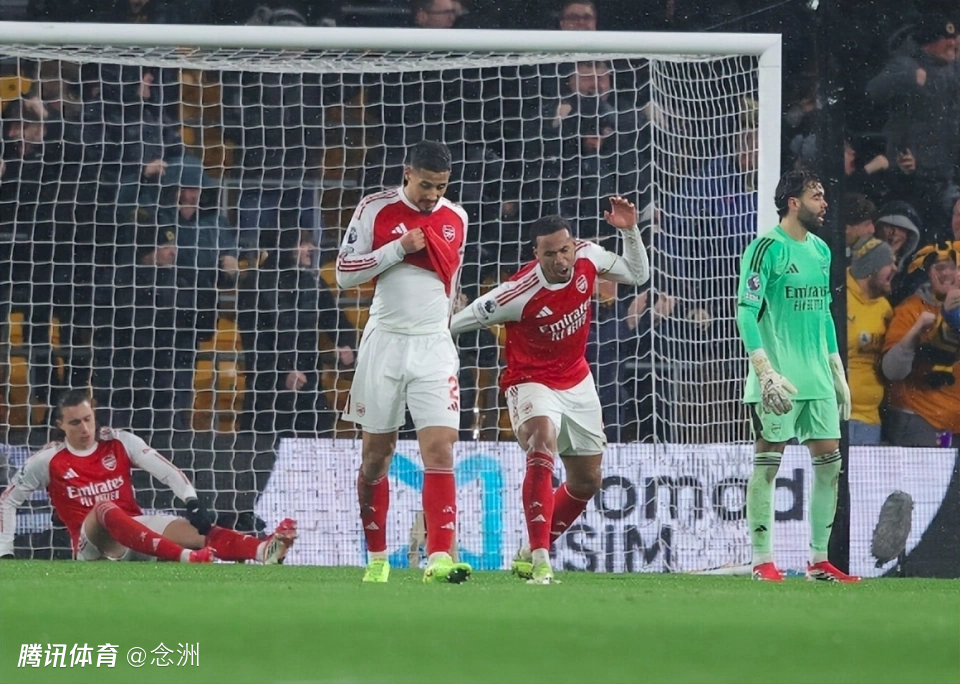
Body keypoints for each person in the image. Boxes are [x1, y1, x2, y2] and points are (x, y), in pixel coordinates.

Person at [450, 198, 650, 584]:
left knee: (587, 481)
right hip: (531, 381)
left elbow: (637, 273)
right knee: (542, 442)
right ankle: (542, 560)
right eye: (550, 254)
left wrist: (629, 230)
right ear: (536, 254)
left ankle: (529, 549)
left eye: (565, 249)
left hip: (576, 378)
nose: (561, 260)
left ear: (573, 244)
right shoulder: (515, 293)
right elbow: (459, 322)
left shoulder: (588, 257)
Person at [335, 140, 471, 584]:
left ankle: (439, 557)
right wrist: (396, 249)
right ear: (407, 173)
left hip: (433, 345)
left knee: (441, 448)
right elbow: (343, 273)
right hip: (386, 344)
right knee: (377, 457)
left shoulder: (457, 218)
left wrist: (446, 324)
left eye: (441, 187)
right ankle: (377, 557)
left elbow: (451, 282)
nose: (433, 195)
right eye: (426, 185)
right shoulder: (374, 208)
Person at [0, 391, 297, 563]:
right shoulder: (48, 459)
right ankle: (185, 557)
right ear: (60, 424)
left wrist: (191, 501)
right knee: (104, 508)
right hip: (93, 547)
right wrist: (5, 552)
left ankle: (263, 550)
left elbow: (166, 471)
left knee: (195, 530)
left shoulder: (119, 441)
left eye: (88, 419)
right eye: (75, 422)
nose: (85, 428)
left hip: (137, 536)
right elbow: (8, 501)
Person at [735, 170, 859, 583]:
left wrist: (836, 369)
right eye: (816, 196)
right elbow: (745, 311)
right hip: (778, 381)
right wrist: (763, 370)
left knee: (829, 465)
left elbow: (823, 312)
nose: (824, 203)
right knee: (767, 465)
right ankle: (762, 561)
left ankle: (818, 561)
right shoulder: (765, 249)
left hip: (816, 378)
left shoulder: (821, 251)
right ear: (793, 202)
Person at [846, 237, 896, 446]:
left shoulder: (884, 308)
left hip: (870, 421)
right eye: (889, 263)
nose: (895, 268)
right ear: (871, 268)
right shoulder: (838, 299)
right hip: (835, 419)